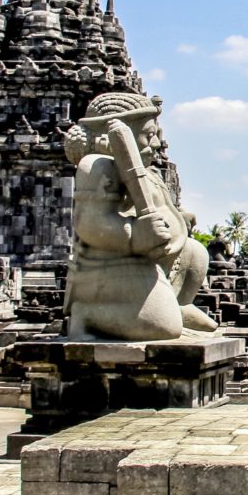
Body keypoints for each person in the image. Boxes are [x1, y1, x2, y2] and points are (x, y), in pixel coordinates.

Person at [64, 92, 217, 341]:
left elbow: (159, 205)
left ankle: (176, 303)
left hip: (154, 259)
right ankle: (87, 313)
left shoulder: (146, 172)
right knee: (163, 328)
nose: (156, 143)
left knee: (195, 253)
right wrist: (133, 235)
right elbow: (90, 224)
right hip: (111, 266)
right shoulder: (97, 167)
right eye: (148, 135)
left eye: (157, 135)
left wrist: (179, 218)